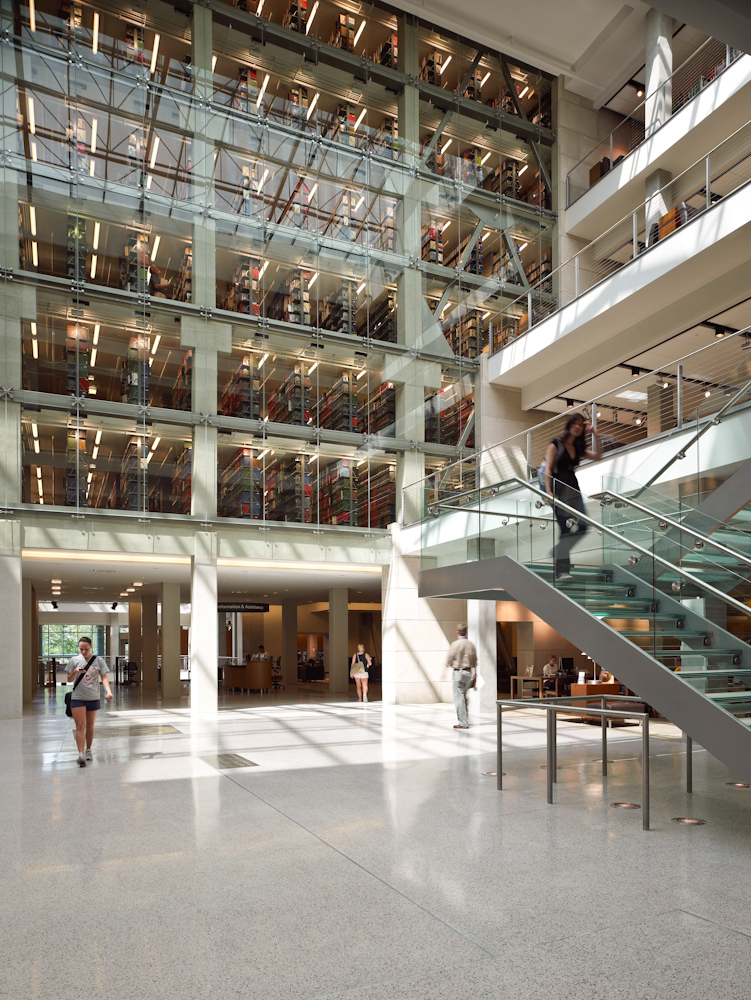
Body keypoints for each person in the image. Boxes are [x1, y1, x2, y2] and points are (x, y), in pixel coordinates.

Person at [544, 411, 602, 581]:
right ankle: (562, 571)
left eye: (580, 425)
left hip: (574, 490)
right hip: (558, 490)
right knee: (566, 529)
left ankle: (558, 550)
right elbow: (548, 468)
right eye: (574, 423)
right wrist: (548, 492)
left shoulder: (577, 448)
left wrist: (595, 433)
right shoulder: (556, 444)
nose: (577, 427)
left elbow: (598, 456)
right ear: (569, 425)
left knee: (583, 526)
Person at [65, 636, 113, 767]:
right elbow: (69, 679)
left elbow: (104, 677)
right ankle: (81, 754)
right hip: (78, 698)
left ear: (91, 647)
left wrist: (108, 691)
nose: (83, 652)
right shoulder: (74, 660)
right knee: (80, 726)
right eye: (81, 649)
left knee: (90, 726)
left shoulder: (99, 660)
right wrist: (75, 671)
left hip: (93, 697)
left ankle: (88, 750)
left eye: (86, 649)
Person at [443, 624, 477, 729]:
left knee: (459, 698)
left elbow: (449, 658)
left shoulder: (455, 644)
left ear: (457, 632)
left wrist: (444, 671)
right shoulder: (471, 644)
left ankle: (463, 722)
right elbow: (475, 660)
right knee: (463, 696)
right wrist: (475, 674)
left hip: (459, 674)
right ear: (466, 632)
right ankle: (465, 718)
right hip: (469, 673)